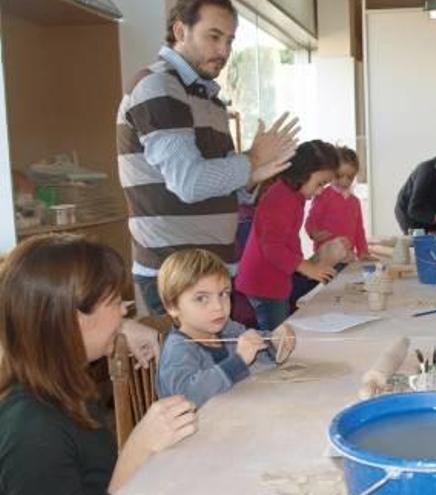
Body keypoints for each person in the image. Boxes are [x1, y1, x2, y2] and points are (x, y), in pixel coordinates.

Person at [117, 0, 300, 315]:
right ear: (180, 31)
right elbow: (189, 183)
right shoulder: (159, 86)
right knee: (192, 365)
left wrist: (253, 176)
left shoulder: (208, 97)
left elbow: (221, 184)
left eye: (229, 40)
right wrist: (252, 160)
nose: (223, 50)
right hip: (177, 273)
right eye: (213, 37)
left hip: (209, 272)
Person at [0, 235, 197, 494]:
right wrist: (136, 450)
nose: (124, 312)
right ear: (73, 319)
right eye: (115, 302)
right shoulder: (33, 429)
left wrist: (121, 328)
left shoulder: (62, 384)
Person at [156, 249, 295, 407]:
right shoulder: (178, 349)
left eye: (223, 294)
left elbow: (256, 347)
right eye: (201, 298)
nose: (218, 307)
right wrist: (238, 361)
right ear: (173, 307)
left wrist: (275, 341)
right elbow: (188, 397)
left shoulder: (228, 329)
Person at [235, 140, 341, 331]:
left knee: (280, 334)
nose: (319, 191)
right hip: (263, 282)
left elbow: (289, 239)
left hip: (273, 280)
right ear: (304, 172)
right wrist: (306, 267)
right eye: (320, 183)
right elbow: (272, 246)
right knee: (277, 338)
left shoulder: (293, 196)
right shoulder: (281, 197)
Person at [306, 146, 369, 260]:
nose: (344, 181)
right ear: (331, 172)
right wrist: (314, 233)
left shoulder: (355, 202)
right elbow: (312, 219)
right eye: (339, 176)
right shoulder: (323, 195)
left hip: (348, 256)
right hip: (326, 255)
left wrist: (363, 251)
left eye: (349, 177)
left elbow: (359, 230)